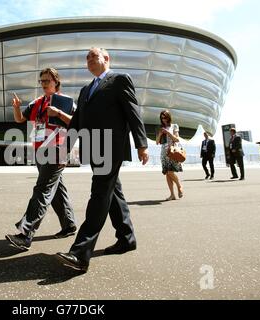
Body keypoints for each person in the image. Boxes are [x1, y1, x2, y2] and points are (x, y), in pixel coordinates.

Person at [56, 48, 149, 273]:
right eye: (86, 58)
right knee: (113, 193)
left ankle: (80, 253)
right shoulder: (85, 90)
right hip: (94, 147)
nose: (88, 60)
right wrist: (64, 149)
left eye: (93, 56)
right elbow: (76, 122)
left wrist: (141, 143)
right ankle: (127, 238)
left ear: (106, 59)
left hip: (112, 146)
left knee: (99, 194)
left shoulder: (118, 80)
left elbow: (132, 112)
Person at [5, 67, 77, 251]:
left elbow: (77, 122)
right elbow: (20, 119)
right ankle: (69, 225)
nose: (44, 84)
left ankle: (25, 233)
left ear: (56, 82)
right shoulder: (36, 102)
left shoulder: (65, 101)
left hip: (57, 150)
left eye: (47, 80)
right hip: (40, 151)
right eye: (42, 81)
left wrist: (59, 113)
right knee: (56, 190)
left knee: (42, 190)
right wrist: (16, 108)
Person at [156, 110, 184, 201]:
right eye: (162, 118)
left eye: (165, 117)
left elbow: (177, 139)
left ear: (169, 117)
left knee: (170, 172)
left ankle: (179, 185)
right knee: (167, 174)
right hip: (164, 153)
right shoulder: (160, 128)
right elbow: (157, 142)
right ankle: (172, 194)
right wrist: (160, 134)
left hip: (172, 152)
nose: (163, 119)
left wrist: (168, 133)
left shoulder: (174, 126)